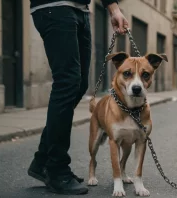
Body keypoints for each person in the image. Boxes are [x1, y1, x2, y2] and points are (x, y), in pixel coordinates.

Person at [27, 0, 128, 195]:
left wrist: (113, 8)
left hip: (80, 9)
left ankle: (42, 161)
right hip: (54, 6)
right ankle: (56, 168)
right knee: (67, 83)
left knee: (79, 84)